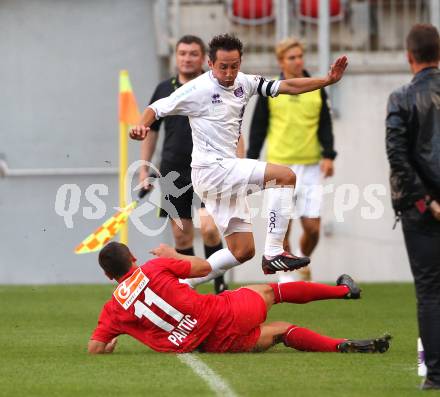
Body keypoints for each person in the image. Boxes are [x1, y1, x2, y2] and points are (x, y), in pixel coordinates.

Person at [130, 34, 348, 287]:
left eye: (234, 65)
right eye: (223, 66)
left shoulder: (245, 82)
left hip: (223, 173)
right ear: (210, 64)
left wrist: (327, 80)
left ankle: (181, 286)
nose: (229, 72)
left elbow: (287, 87)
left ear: (240, 62)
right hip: (211, 170)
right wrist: (140, 127)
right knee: (285, 176)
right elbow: (156, 108)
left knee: (242, 251)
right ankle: (275, 251)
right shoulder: (197, 88)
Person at [88, 241, 391, 355]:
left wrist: (109, 346)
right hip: (223, 314)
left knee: (282, 331)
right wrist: (174, 254)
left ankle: (338, 346)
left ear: (108, 275)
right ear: (133, 257)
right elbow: (206, 267)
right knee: (272, 291)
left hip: (210, 343)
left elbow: (95, 348)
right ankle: (344, 291)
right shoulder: (155, 265)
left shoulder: (113, 308)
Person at [139, 35, 230, 293]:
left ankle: (219, 285)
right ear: (176, 57)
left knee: (210, 229)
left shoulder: (215, 86)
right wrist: (144, 168)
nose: (187, 58)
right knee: (181, 235)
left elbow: (235, 130)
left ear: (204, 59)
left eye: (193, 53)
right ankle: (189, 290)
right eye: (182, 53)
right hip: (172, 171)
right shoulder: (163, 89)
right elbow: (151, 131)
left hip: (211, 169)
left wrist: (237, 165)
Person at [248, 37, 336, 283]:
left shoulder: (316, 88)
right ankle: (285, 275)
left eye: (300, 56)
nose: (298, 61)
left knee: (313, 229)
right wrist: (251, 162)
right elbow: (258, 128)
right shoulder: (272, 89)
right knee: (282, 225)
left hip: (310, 167)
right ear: (281, 61)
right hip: (280, 167)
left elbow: (325, 125)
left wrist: (329, 155)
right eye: (292, 57)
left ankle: (301, 256)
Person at [386, 24, 440, 391]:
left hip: (420, 209)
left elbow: (398, 155)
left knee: (430, 291)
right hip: (423, 205)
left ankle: (436, 374)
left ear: (409, 57)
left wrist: (426, 200)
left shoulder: (401, 97)